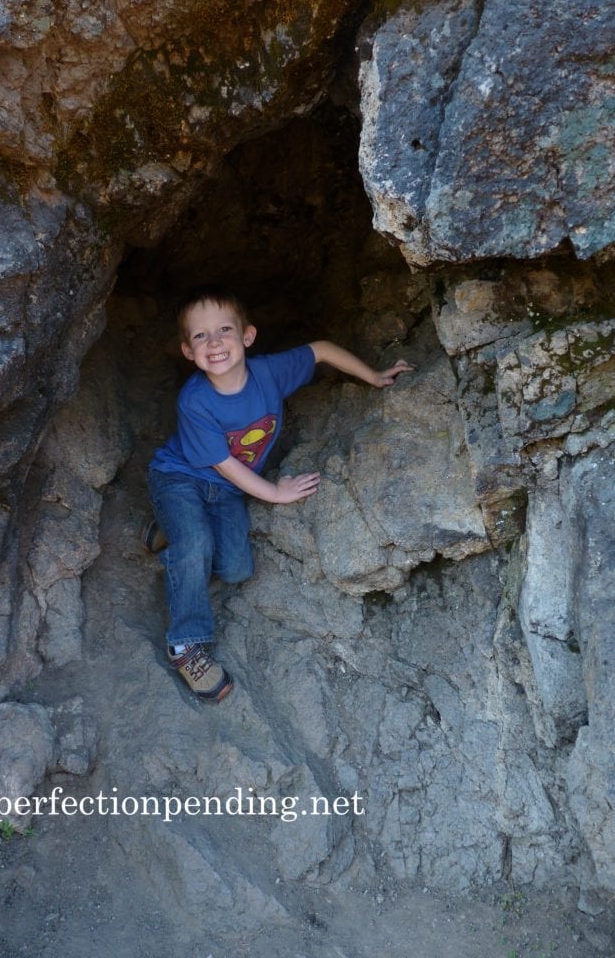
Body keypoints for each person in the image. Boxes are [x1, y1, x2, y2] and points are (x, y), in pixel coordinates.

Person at [145, 284, 414, 702]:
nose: (214, 342)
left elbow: (321, 349)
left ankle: (173, 532)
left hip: (227, 492)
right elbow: (226, 465)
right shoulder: (194, 401)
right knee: (196, 542)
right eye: (200, 336)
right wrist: (274, 492)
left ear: (247, 336)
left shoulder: (269, 373)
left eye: (224, 330)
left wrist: (374, 376)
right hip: (180, 478)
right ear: (187, 351)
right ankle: (187, 646)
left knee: (235, 569)